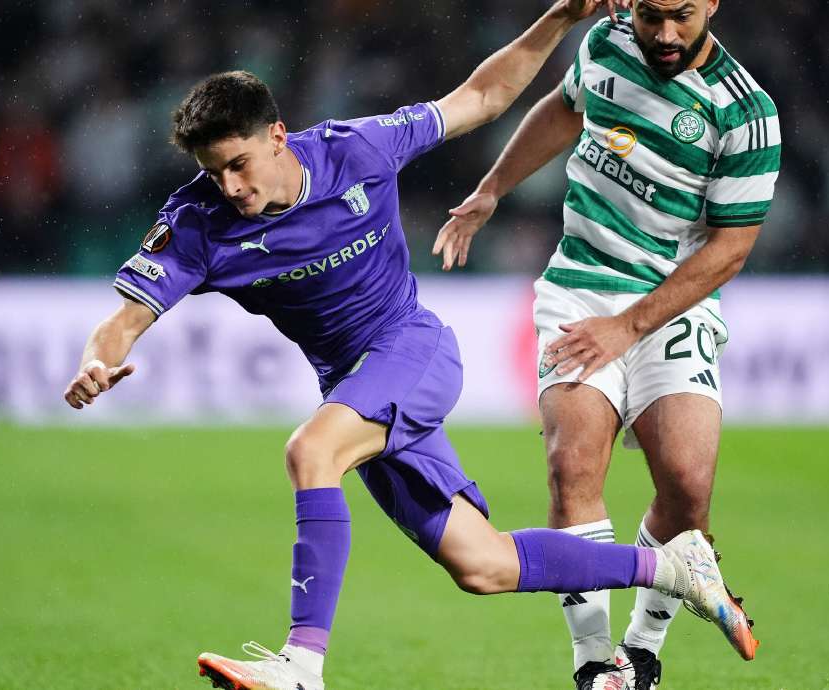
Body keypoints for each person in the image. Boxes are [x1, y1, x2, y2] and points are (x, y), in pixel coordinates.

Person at [62, 2, 752, 689]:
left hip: (410, 349)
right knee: (483, 565)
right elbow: (127, 315)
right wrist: (99, 357)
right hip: (352, 386)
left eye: (239, 164)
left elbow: (482, 96)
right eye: (215, 173)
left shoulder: (354, 150)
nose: (232, 187)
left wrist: (558, 19)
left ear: (277, 135)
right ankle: (673, 570)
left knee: (311, 450)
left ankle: (301, 666)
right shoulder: (198, 224)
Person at [433, 1, 777, 687]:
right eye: (652, 15)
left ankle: (643, 647)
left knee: (687, 485)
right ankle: (594, 664)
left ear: (711, 3)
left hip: (675, 302)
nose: (666, 33)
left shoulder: (745, 112)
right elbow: (563, 110)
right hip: (580, 287)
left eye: (681, 15)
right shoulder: (607, 41)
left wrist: (629, 326)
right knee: (573, 466)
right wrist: (493, 188)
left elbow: (731, 248)